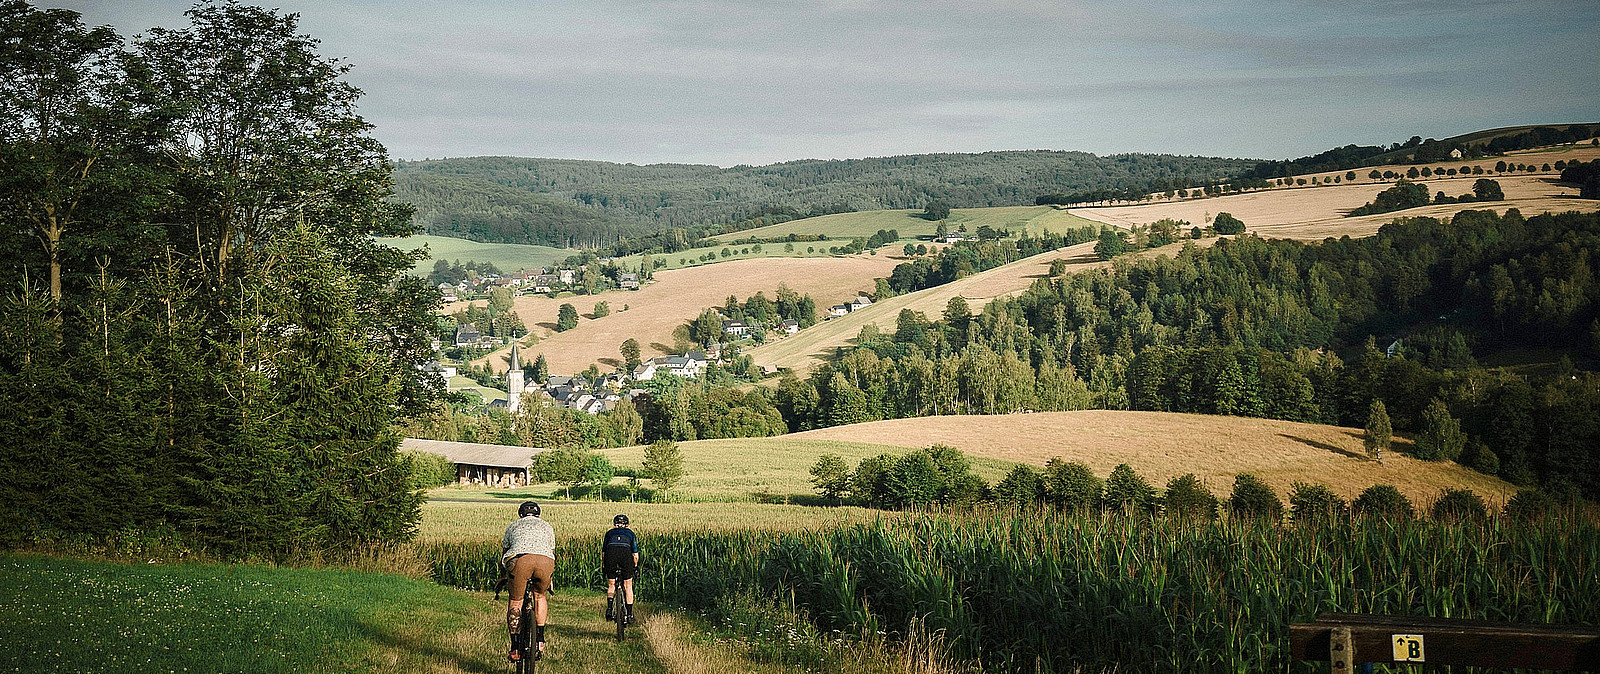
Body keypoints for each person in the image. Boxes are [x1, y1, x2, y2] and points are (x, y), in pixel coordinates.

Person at [502, 501, 555, 662]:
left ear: (521, 514)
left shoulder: (513, 526)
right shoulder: (546, 526)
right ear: (538, 514)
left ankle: (516, 647)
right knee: (540, 596)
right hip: (545, 562)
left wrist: (503, 575)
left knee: (516, 601)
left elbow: (505, 551)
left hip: (520, 560)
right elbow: (551, 550)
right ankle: (539, 639)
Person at [603, 513, 639, 623]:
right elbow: (635, 555)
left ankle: (609, 609)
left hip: (611, 555)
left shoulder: (609, 533)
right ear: (627, 524)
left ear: (615, 524)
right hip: (625, 555)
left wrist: (604, 566)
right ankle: (629, 614)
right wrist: (635, 567)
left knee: (611, 584)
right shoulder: (630, 533)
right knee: (628, 585)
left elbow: (604, 553)